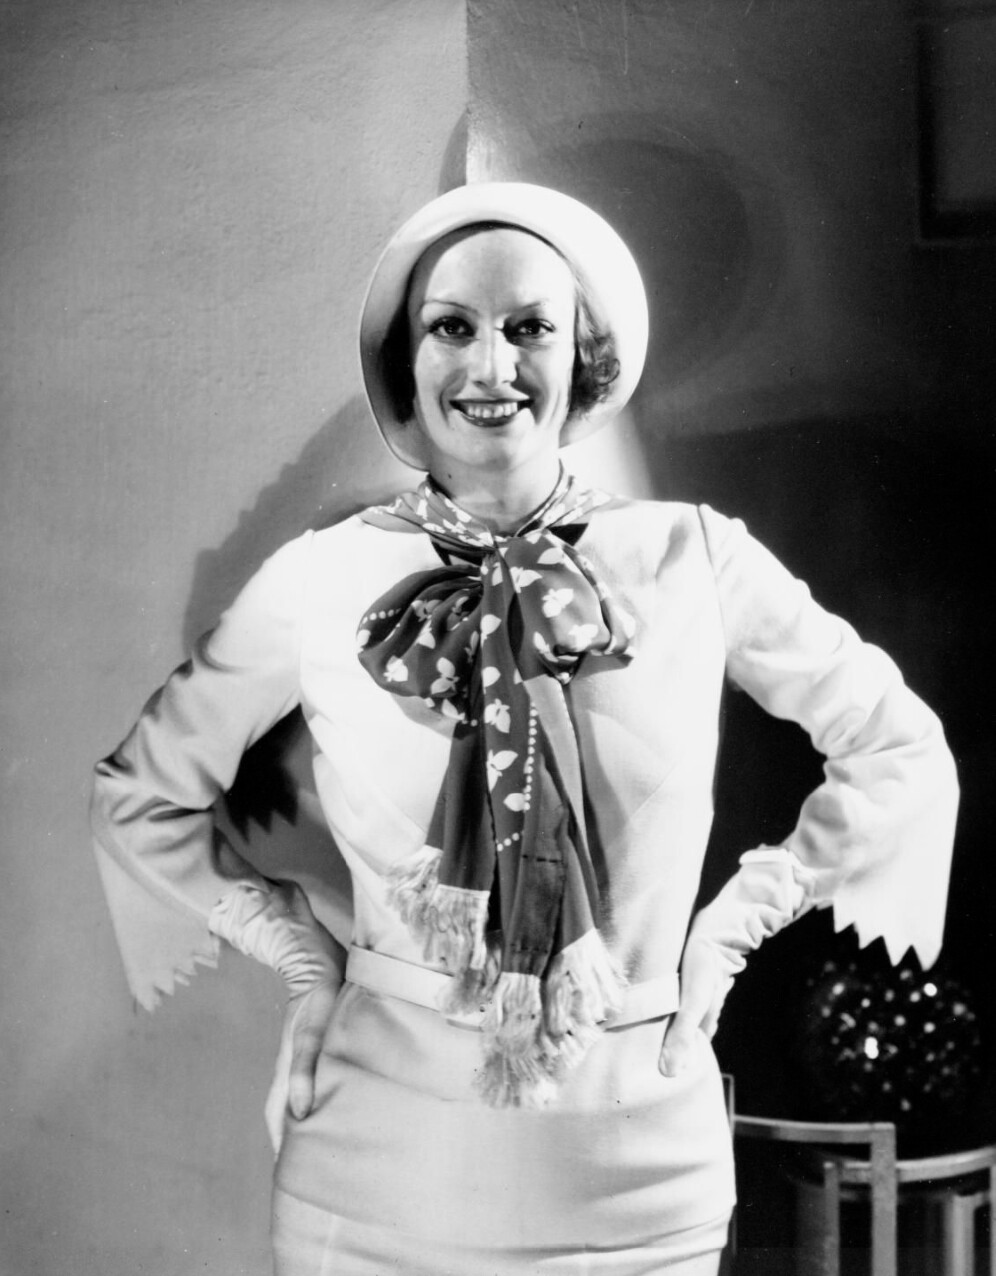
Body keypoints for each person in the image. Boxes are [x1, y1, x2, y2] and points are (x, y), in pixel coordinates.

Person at [91, 183, 959, 1275]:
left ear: (581, 356)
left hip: (644, 1179)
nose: (491, 365)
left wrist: (730, 932)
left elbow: (898, 748)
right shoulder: (322, 579)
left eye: (530, 327)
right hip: (375, 1174)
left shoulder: (690, 556)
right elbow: (138, 797)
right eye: (452, 327)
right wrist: (302, 960)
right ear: (407, 363)